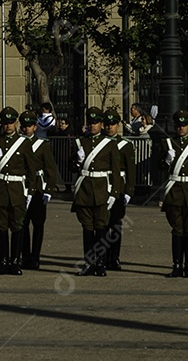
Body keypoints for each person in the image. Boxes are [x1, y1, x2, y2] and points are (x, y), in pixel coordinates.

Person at [0, 107, 38, 275]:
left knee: (17, 226)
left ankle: (15, 262)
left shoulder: (24, 143)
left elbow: (32, 169)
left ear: (16, 123)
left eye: (11, 122)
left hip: (17, 190)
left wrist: (30, 191)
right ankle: (3, 262)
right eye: (5, 123)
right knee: (1, 226)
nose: (8, 126)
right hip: (0, 189)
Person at [71, 107, 124, 276]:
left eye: (96, 123)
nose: (92, 126)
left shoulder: (110, 144)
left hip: (102, 190)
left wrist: (114, 193)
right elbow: (71, 168)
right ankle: (89, 262)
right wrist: (77, 161)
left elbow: (116, 171)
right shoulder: (81, 142)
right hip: (85, 190)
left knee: (100, 228)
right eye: (90, 122)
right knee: (87, 228)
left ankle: (100, 263)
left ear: (101, 124)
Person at [162, 110, 188, 278]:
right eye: (178, 126)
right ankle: (177, 265)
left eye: (184, 126)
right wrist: (166, 160)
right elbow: (158, 168)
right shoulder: (168, 144)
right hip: (174, 191)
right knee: (177, 230)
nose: (181, 129)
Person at [20, 108, 58, 270]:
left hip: (39, 187)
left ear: (35, 127)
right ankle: (25, 256)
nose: (26, 128)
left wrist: (49, 190)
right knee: (22, 224)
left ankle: (35, 256)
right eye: (24, 125)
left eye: (29, 125)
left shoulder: (42, 145)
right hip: (22, 186)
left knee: (38, 224)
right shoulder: (18, 143)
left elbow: (51, 169)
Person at [103, 108, 135, 272]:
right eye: (107, 124)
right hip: (101, 185)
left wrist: (129, 190)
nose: (110, 127)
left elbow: (131, 169)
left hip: (119, 187)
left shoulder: (125, 145)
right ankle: (102, 257)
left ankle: (114, 257)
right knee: (101, 224)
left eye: (113, 124)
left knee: (115, 224)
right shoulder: (99, 143)